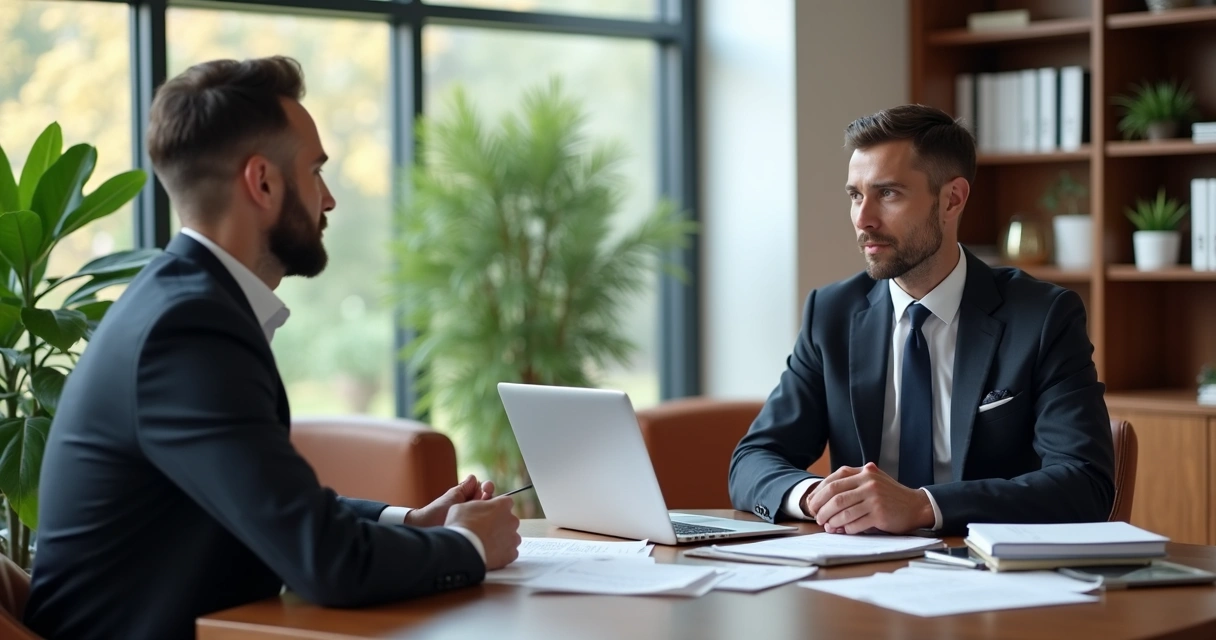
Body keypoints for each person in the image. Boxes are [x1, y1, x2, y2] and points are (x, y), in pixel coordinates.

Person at [25, 56, 521, 640]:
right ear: (262, 182)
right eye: (315, 172)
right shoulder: (187, 329)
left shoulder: (178, 304)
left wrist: (409, 521)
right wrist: (465, 544)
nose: (329, 199)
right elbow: (327, 565)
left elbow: (270, 504)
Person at [728, 104, 1114, 537]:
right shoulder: (831, 313)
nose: (863, 218)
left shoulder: (1042, 317)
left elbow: (1085, 483)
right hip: (858, 576)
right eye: (856, 195)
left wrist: (924, 506)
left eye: (888, 193)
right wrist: (813, 495)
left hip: (989, 580)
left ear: (952, 199)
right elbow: (753, 460)